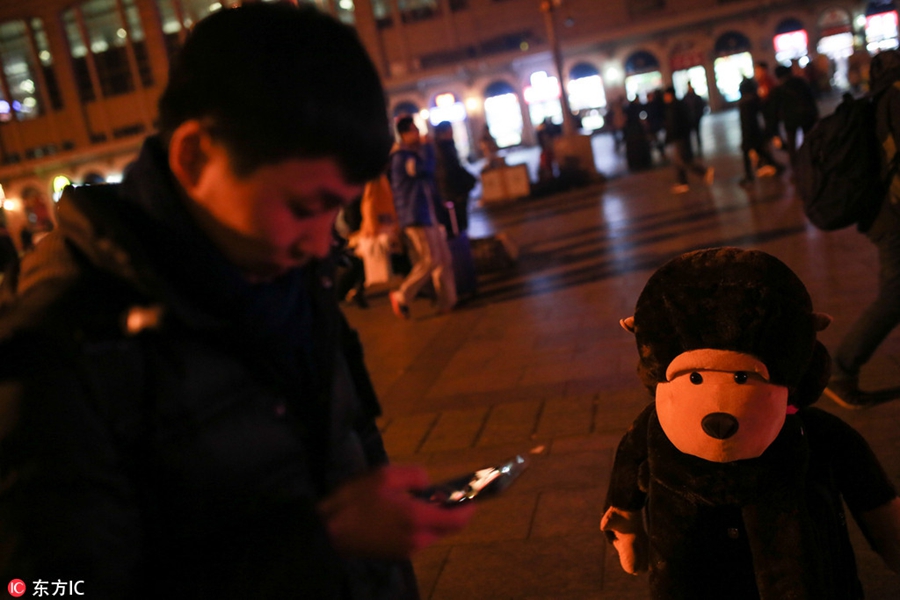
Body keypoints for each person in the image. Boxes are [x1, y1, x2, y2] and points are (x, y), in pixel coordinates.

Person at [0, 4, 473, 599]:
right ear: (195, 156)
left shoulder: (285, 272)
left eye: (337, 209)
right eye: (305, 207)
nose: (322, 241)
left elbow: (347, 444)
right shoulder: (58, 349)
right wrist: (321, 541)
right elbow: (39, 586)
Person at [826, 49, 900, 409]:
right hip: (893, 216)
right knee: (896, 295)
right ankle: (841, 368)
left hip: (884, 212)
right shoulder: (896, 98)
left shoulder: (883, 97)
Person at [388, 115, 457, 319]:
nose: (418, 134)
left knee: (443, 258)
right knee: (430, 260)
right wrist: (427, 149)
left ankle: (448, 301)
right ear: (404, 134)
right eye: (413, 131)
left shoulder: (412, 153)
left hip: (428, 213)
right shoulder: (402, 157)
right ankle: (402, 295)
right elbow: (424, 171)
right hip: (415, 215)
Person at [662, 86, 714, 194]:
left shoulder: (674, 107)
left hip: (679, 137)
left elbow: (673, 124)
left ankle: (703, 172)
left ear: (669, 95)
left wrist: (669, 138)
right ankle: (682, 182)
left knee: (683, 160)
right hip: (680, 136)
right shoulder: (676, 105)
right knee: (678, 161)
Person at [766, 64, 820, 167]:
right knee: (808, 140)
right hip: (806, 117)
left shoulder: (778, 89)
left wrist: (774, 130)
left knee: (791, 144)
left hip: (790, 119)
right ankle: (811, 161)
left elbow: (774, 111)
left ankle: (795, 165)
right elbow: (811, 99)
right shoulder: (801, 82)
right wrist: (815, 115)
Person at [737, 77, 786, 186]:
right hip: (756, 132)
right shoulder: (754, 100)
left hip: (749, 133)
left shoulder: (745, 102)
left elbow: (746, 122)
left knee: (748, 154)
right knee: (761, 151)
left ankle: (749, 176)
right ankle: (776, 166)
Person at [433, 120, 476, 235]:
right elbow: (448, 171)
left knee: (459, 222)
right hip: (453, 191)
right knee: (457, 223)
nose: (451, 133)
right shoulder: (442, 148)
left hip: (455, 190)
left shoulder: (446, 146)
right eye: (449, 130)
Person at [682, 83, 706, 156]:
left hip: (696, 117)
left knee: (697, 133)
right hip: (689, 119)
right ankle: (691, 150)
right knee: (690, 134)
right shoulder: (686, 98)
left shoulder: (696, 97)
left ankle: (699, 147)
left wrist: (699, 114)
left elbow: (701, 106)